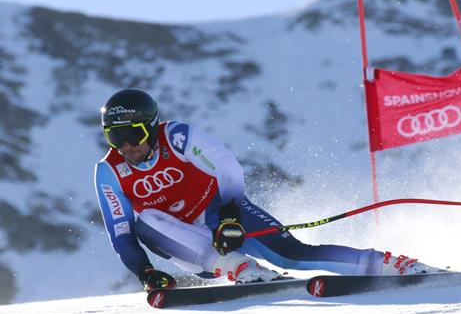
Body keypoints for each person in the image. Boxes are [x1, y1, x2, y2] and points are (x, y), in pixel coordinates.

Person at [94, 88, 438, 291]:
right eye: (115, 137)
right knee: (145, 222)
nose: (126, 146)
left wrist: (230, 216)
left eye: (133, 134)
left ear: (151, 127)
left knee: (291, 254)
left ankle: (394, 265)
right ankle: (239, 268)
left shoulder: (178, 137)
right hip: (187, 244)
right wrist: (146, 272)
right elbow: (121, 234)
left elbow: (226, 166)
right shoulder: (109, 171)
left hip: (221, 212)